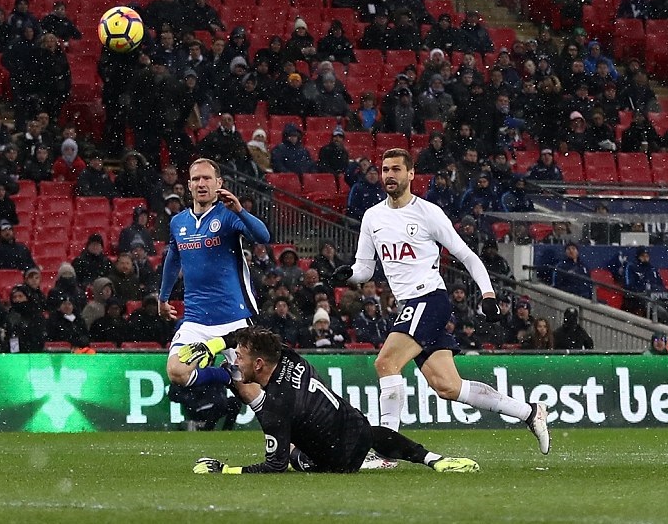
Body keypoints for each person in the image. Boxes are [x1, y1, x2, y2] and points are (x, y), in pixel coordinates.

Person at [330, 148, 550, 466]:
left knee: (385, 363)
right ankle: (529, 412)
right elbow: (364, 269)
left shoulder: (428, 212)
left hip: (429, 299)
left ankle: (384, 454)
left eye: (395, 169)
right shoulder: (372, 217)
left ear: (410, 175)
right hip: (411, 305)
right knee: (448, 386)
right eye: (384, 169)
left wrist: (487, 294)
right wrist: (348, 274)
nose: (388, 175)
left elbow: (467, 256)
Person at [191, 327, 478, 474]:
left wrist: (226, 470)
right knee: (374, 433)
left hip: (335, 463)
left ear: (259, 364)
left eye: (239, 358)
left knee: (291, 453)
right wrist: (218, 344)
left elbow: (273, 468)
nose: (235, 363)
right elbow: (253, 340)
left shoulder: (275, 407)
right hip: (358, 429)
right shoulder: (290, 356)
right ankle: (434, 459)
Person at [162, 158, 271, 389]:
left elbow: (264, 237)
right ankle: (226, 376)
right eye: (196, 179)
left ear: (218, 183)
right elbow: (173, 259)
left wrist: (240, 210)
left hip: (234, 320)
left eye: (207, 178)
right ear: (189, 186)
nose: (201, 183)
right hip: (196, 320)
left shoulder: (229, 215)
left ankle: (239, 381)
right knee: (176, 372)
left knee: (257, 395)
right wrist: (163, 298)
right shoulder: (178, 222)